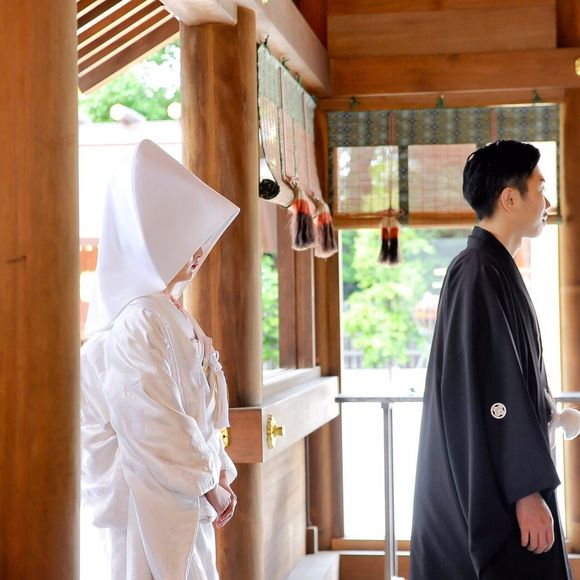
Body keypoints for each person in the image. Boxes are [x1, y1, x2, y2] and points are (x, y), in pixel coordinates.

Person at [410, 140, 573, 579]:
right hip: (498, 489)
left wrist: (550, 413)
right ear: (510, 198)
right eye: (541, 189)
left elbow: (510, 379)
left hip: (505, 474)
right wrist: (525, 491)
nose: (548, 203)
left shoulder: (492, 265)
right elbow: (493, 392)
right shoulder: (477, 269)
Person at [80, 139, 240, 580]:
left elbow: (196, 413)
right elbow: (151, 419)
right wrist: (207, 480)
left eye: (197, 239)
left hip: (182, 489)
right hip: (148, 498)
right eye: (183, 239)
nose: (197, 253)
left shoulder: (167, 311)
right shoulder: (140, 318)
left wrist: (215, 472)